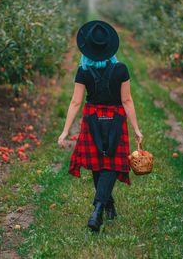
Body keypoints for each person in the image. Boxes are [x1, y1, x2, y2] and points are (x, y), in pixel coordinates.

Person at [57, 20, 143, 232]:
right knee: (111, 164)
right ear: (110, 46)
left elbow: (76, 102)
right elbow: (127, 101)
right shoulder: (121, 69)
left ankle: (102, 207)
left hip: (92, 119)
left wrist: (65, 131)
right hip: (115, 120)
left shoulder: (83, 71)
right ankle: (101, 208)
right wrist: (136, 128)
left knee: (98, 164)